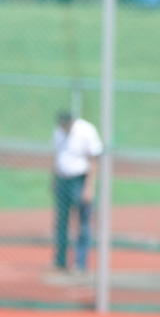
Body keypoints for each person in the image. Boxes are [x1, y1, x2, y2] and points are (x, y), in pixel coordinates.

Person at [51, 110, 102, 273]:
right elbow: (57, 156)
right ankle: (60, 261)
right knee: (61, 221)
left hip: (79, 179)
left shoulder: (86, 130)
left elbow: (93, 159)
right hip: (62, 179)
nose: (64, 128)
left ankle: (80, 263)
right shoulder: (58, 132)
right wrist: (54, 179)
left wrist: (89, 187)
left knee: (83, 221)